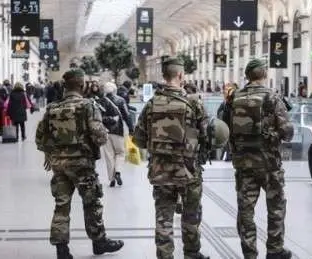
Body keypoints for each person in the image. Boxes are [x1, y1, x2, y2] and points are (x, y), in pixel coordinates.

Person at [35, 69, 124, 258]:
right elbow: (99, 136)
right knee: (91, 203)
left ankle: (62, 249)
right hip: (82, 165)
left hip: (59, 164)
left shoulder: (52, 108)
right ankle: (99, 242)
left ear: (65, 86)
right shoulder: (87, 106)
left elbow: (40, 137)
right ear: (82, 85)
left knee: (61, 205)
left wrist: (50, 154)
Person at [132, 57, 210, 259]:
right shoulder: (194, 103)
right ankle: (192, 253)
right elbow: (208, 135)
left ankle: (165, 255)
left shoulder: (151, 105)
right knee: (191, 214)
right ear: (181, 75)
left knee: (163, 216)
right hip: (188, 169)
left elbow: (138, 140)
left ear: (164, 76)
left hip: (160, 170)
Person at [222, 59, 293, 259]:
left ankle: (249, 253)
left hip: (243, 163)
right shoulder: (271, 97)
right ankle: (275, 250)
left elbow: (225, 128)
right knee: (276, 206)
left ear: (247, 76)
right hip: (269, 163)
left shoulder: (234, 98)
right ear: (264, 75)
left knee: (245, 209)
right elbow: (287, 132)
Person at [104, 82, 134, 187]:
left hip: (105, 131)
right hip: (118, 131)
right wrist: (131, 129)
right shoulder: (121, 100)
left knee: (109, 155)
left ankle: (111, 179)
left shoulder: (100, 102)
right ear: (115, 90)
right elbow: (127, 115)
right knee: (120, 153)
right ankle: (118, 172)